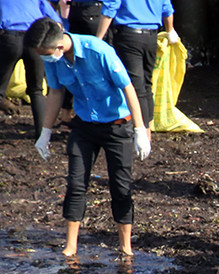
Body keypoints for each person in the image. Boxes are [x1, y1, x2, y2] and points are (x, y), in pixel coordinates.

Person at [27, 17, 151, 257]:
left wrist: (139, 130)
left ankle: (126, 247)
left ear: (59, 47)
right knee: (75, 183)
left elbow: (129, 88)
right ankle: (70, 246)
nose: (45, 58)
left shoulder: (99, 51)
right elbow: (55, 92)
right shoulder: (53, 60)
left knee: (120, 186)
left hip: (117, 126)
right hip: (84, 126)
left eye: (47, 53)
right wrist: (45, 131)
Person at [93, 0, 176, 136]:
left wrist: (98, 39)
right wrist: (170, 30)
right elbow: (167, 9)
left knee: (135, 87)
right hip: (151, 37)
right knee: (147, 85)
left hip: (128, 36)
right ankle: (147, 127)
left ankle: (142, 133)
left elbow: (110, 8)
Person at [0, 0, 60, 139]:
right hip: (35, 39)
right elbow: (56, 22)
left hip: (10, 38)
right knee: (36, 90)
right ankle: (43, 135)